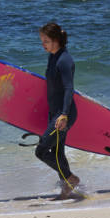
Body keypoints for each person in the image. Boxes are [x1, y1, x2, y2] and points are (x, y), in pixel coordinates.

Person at [36, 21, 80, 199]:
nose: (43, 44)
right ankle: (66, 189)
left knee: (41, 151)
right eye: (42, 41)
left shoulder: (64, 60)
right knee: (57, 152)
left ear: (55, 40)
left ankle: (70, 178)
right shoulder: (52, 57)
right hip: (54, 112)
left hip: (63, 114)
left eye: (45, 41)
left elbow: (69, 88)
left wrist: (63, 115)